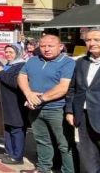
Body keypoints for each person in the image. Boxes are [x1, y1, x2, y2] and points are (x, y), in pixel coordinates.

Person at [18, 34, 77, 173]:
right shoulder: (33, 60)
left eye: (51, 46)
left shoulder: (68, 62)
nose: (46, 49)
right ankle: (44, 168)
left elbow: (63, 87)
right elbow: (22, 76)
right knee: (42, 140)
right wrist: (28, 93)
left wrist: (38, 99)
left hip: (57, 109)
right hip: (35, 109)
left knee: (64, 144)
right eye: (43, 46)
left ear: (60, 47)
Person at [65, 27, 100, 173]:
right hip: (83, 119)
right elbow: (73, 89)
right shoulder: (81, 63)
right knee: (90, 162)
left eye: (97, 39)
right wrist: (70, 111)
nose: (91, 43)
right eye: (88, 40)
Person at [0, 44, 27, 166]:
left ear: (18, 53)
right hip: (5, 103)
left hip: (15, 103)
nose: (8, 54)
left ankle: (17, 157)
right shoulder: (8, 65)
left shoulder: (22, 66)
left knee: (16, 129)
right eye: (6, 52)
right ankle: (9, 152)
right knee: (7, 128)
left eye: (11, 52)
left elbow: (14, 82)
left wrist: (1, 72)